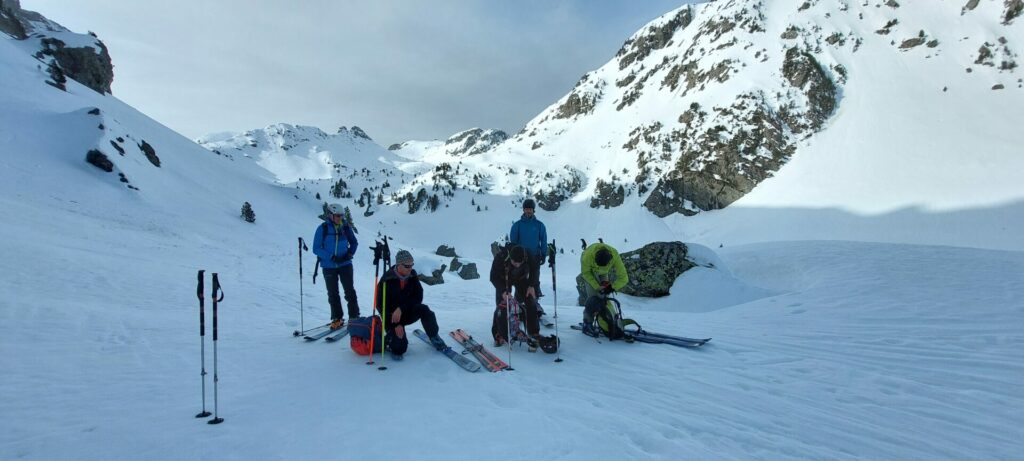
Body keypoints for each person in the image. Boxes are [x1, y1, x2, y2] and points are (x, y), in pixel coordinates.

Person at [375, 250, 448, 358]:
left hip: (406, 311)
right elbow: (380, 306)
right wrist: (395, 324)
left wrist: (401, 308)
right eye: (407, 266)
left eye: (412, 265)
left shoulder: (412, 275)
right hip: (391, 318)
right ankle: (389, 340)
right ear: (399, 265)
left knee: (425, 310)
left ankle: (434, 336)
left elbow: (418, 296)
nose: (410, 268)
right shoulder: (387, 280)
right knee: (399, 349)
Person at [312, 203, 360, 330]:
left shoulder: (345, 227)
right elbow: (316, 248)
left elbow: (354, 242)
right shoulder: (323, 228)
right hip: (329, 265)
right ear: (330, 215)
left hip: (345, 264)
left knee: (349, 291)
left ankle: (354, 317)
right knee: (333, 293)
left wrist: (349, 254)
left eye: (342, 215)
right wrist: (331, 257)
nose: (340, 218)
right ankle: (337, 318)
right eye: (338, 216)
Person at [489, 244, 540, 348]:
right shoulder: (501, 257)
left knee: (530, 299)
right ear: (510, 258)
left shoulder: (528, 255)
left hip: (520, 278)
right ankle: (498, 333)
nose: (517, 265)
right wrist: (503, 291)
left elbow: (535, 269)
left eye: (519, 263)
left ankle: (533, 331)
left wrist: (531, 285)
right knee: (502, 306)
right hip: (503, 280)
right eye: (514, 262)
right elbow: (493, 277)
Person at [579, 242, 628, 336]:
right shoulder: (587, 256)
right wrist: (597, 286)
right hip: (590, 271)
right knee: (593, 298)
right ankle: (587, 323)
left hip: (604, 272)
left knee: (604, 296)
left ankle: (607, 320)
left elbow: (624, 278)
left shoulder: (614, 255)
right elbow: (585, 273)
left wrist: (610, 288)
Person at [509, 198, 547, 300]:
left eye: (530, 209)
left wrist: (543, 254)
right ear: (523, 210)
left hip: (535, 256)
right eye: (526, 209)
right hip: (521, 258)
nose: (528, 211)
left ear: (533, 210)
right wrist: (514, 257)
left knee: (535, 279)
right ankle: (519, 300)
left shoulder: (539, 225)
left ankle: (535, 301)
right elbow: (513, 243)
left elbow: (543, 240)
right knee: (520, 279)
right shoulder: (517, 225)